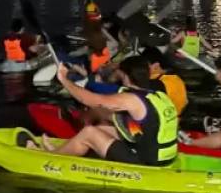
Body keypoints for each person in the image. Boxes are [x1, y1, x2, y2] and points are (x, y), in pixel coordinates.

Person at [32, 55, 179, 166]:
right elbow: (146, 126)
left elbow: (90, 100)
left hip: (146, 162)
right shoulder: (158, 95)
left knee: (89, 133)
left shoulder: (130, 98)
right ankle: (60, 151)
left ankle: (50, 158)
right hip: (164, 156)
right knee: (103, 128)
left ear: (123, 74)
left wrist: (64, 80)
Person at [142, 46, 188, 116]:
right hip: (175, 118)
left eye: (145, 66)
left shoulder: (157, 83)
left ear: (156, 65)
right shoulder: (175, 77)